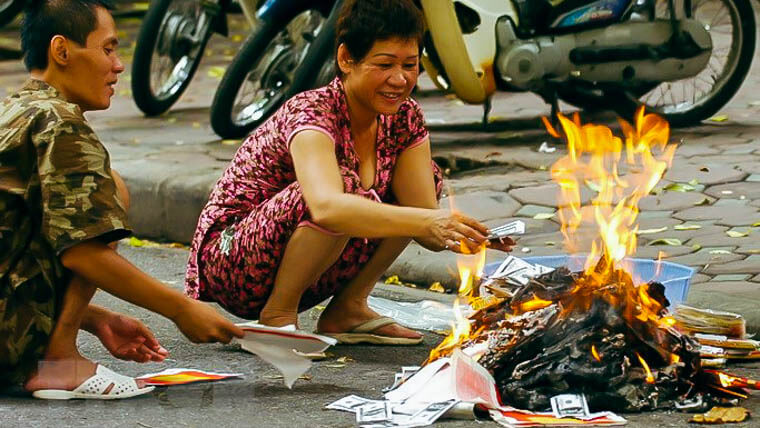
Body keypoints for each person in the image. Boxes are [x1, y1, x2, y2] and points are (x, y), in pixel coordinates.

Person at [186, 0, 514, 345]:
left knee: (427, 178)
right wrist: (427, 220)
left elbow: (423, 220)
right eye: (384, 64)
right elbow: (327, 207)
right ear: (346, 60)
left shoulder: (404, 117)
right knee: (342, 189)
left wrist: (468, 235)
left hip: (315, 264)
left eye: (410, 65)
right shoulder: (312, 113)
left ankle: (349, 308)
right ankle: (277, 318)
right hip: (233, 263)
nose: (400, 79)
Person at [0, 0, 243, 400]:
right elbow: (84, 252)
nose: (117, 66)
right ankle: (59, 360)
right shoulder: (59, 122)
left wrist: (94, 319)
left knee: (106, 185)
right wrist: (182, 309)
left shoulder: (15, 110)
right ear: (61, 51)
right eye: (108, 49)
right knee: (109, 193)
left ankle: (59, 344)